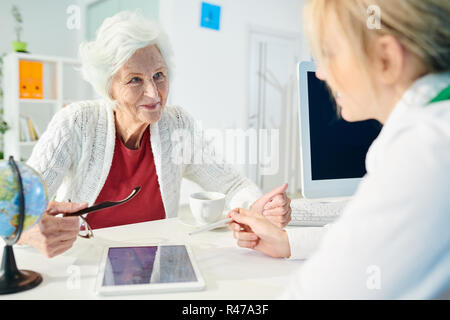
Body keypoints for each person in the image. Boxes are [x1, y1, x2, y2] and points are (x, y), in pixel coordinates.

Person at [18, 11, 291, 258]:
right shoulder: (75, 123)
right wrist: (27, 230)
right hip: (87, 260)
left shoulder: (177, 124)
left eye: (159, 75)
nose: (153, 93)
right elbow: (16, 205)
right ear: (109, 88)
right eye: (135, 79)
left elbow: (232, 185)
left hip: (159, 259)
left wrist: (257, 208)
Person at [228, 0, 450, 299]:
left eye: (329, 54)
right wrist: (288, 241)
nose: (320, 73)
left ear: (386, 58)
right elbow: (373, 238)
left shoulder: (423, 150)